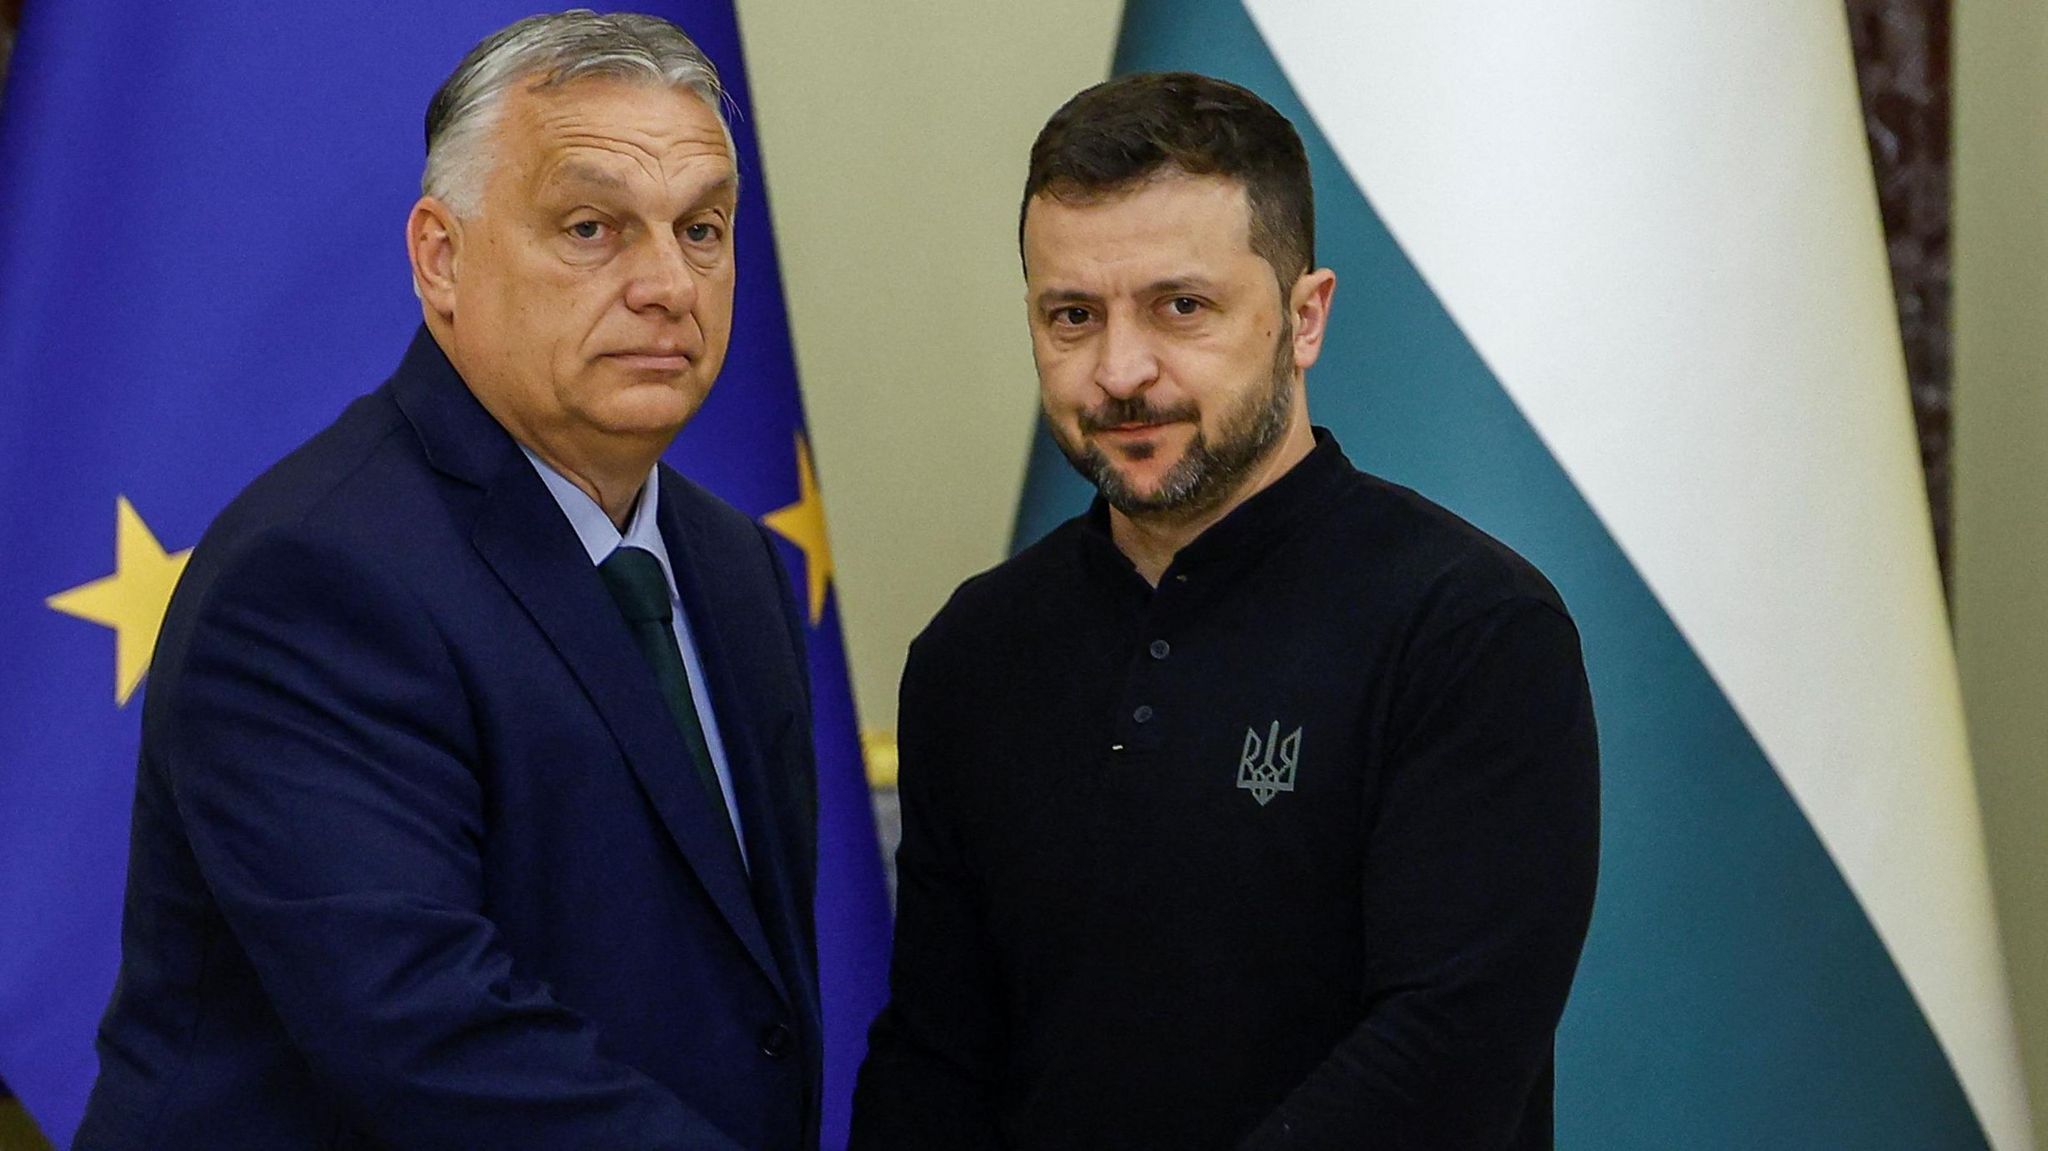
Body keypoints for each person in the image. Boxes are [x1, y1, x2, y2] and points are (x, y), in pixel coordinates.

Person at [73, 12, 819, 1150]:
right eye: (591, 226)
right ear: (441, 257)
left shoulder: (736, 564)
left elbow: (746, 1006)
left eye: (702, 228)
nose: (668, 282)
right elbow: (428, 1035)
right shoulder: (317, 575)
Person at [851, 72, 1600, 1150]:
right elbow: (936, 1055)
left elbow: (1447, 1052)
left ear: (1302, 318)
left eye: (1179, 307)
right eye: (1071, 315)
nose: (1118, 370)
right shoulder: (974, 652)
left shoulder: (1470, 629)